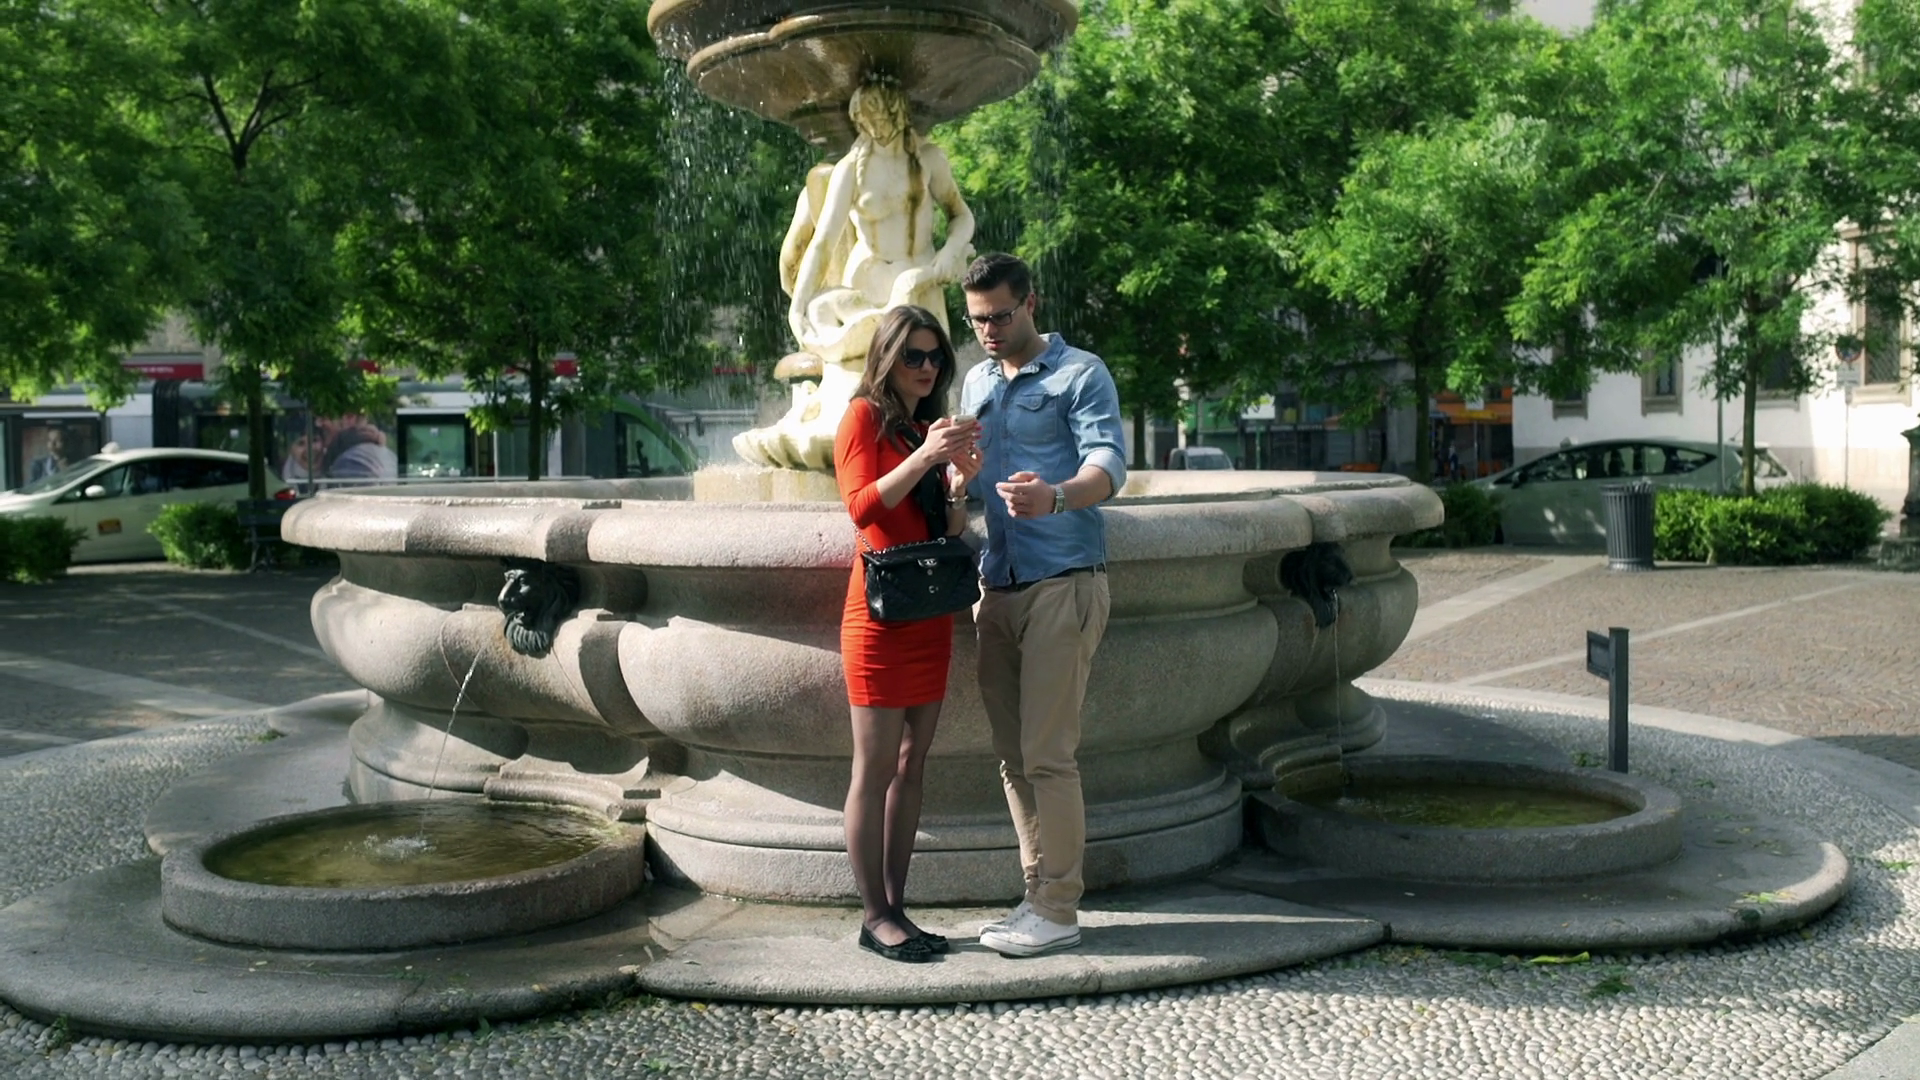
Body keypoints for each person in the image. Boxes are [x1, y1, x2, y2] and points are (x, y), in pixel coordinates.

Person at [957, 253, 1127, 958]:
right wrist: (956, 480)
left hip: (1063, 579)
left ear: (1031, 303)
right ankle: (1037, 895)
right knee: (1013, 758)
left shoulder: (1080, 373)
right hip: (997, 584)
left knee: (1048, 757)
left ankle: (1059, 908)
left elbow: (1109, 465)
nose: (988, 330)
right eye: (976, 320)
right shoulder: (975, 381)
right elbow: (972, 486)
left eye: (1000, 315)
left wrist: (1055, 497)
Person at [833, 305, 981, 963]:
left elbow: (945, 534)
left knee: (910, 765)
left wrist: (958, 487)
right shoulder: (862, 417)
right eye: (913, 356)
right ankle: (874, 916)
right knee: (873, 770)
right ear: (887, 358)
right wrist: (924, 456)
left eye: (935, 357)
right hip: (878, 619)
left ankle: (898, 908)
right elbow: (861, 507)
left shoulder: (925, 428)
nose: (926, 367)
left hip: (927, 615)